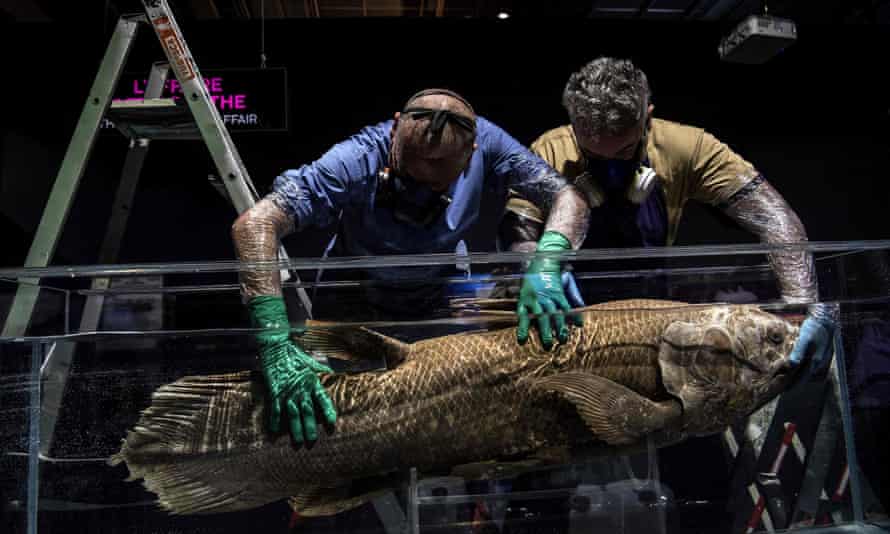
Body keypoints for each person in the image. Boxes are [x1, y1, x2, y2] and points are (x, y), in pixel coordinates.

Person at [231, 88, 590, 445]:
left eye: (436, 183)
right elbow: (255, 224)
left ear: (471, 153)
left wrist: (547, 263)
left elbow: (568, 197)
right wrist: (274, 341)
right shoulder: (356, 158)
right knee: (341, 427)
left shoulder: (491, 144)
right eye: (407, 172)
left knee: (431, 424)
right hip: (351, 299)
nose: (419, 193)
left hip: (432, 298)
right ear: (395, 129)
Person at [501, 57, 837, 374]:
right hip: (566, 315)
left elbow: (774, 218)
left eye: (625, 151)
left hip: (650, 314)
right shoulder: (549, 151)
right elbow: (517, 232)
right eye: (592, 154)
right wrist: (537, 268)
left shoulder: (686, 147)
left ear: (647, 118)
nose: (612, 169)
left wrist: (800, 308)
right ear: (574, 127)